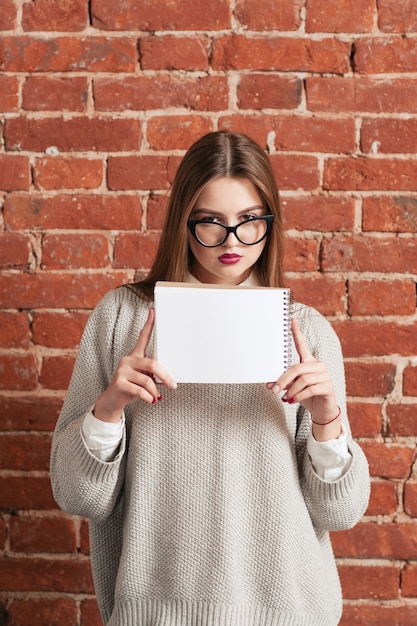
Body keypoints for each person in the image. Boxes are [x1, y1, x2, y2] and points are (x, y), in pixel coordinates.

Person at [50, 131, 370, 626]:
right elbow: (77, 496)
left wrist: (329, 420)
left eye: (249, 222)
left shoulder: (307, 333)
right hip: (155, 613)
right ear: (184, 221)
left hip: (288, 612)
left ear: (271, 223)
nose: (231, 242)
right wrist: (107, 409)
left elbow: (340, 514)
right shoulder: (122, 318)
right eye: (210, 223)